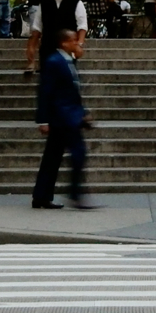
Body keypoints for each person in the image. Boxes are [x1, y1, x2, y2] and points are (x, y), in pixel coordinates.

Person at [32, 27, 98, 209]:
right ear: (64, 43)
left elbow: (72, 91)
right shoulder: (54, 62)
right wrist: (43, 120)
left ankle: (41, 196)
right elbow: (45, 92)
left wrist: (82, 112)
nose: (77, 43)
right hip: (63, 118)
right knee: (78, 154)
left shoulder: (68, 61)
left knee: (52, 158)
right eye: (73, 40)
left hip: (69, 116)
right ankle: (74, 194)